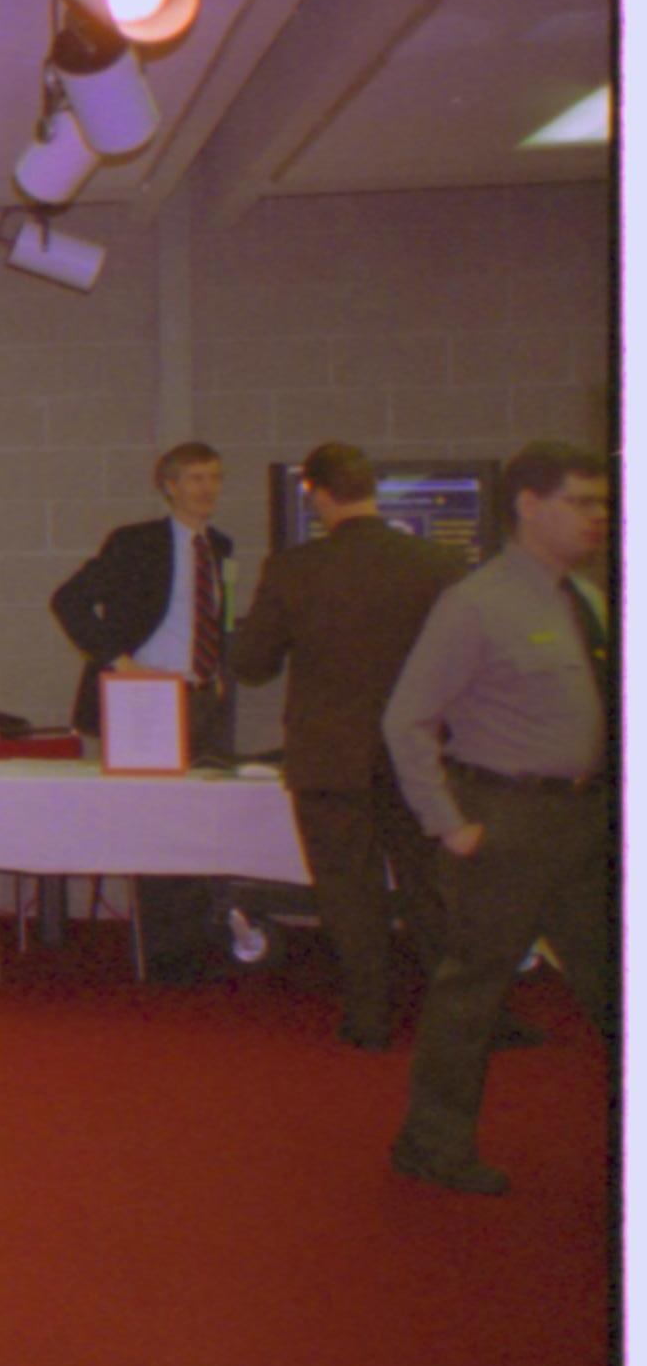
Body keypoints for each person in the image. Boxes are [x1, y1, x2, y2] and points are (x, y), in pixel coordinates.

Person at [379, 442, 614, 1197]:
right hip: (504, 820)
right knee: (472, 993)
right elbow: (407, 720)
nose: (598, 517)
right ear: (528, 505)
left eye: (602, 503)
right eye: (582, 501)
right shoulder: (476, 602)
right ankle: (433, 1145)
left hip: (586, 820)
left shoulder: (585, 599)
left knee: (615, 985)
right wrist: (447, 822)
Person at [228, 444, 469, 1047]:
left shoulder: (295, 569)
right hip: (414, 758)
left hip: (329, 756)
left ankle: (370, 1018)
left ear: (318, 494)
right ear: (372, 491)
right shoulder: (436, 562)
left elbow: (253, 665)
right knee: (429, 890)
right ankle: (461, 1020)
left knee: (348, 892)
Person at [50, 440, 237, 981]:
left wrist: (219, 671)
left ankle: (203, 933)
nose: (209, 489)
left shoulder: (221, 546)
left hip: (204, 695)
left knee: (205, 819)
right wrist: (118, 662)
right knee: (161, 821)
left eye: (216, 478)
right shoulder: (138, 544)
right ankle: (166, 949)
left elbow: (218, 619)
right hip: (149, 697)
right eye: (197, 479)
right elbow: (69, 600)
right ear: (170, 486)